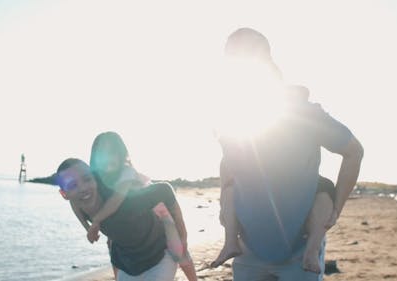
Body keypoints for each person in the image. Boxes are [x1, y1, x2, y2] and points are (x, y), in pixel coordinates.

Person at [216, 27, 364, 281]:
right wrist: (224, 198)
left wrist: (335, 211)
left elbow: (354, 152)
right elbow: (228, 161)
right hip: (247, 245)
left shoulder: (301, 112)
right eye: (232, 55)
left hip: (300, 247)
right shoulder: (231, 113)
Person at [212, 85, 337, 274]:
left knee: (325, 187)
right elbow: (228, 159)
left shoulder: (306, 121)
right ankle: (230, 242)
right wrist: (224, 200)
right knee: (231, 187)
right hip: (262, 184)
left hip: (300, 182)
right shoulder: (263, 122)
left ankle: (311, 250)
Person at [86, 132, 197, 281]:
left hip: (159, 215)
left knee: (178, 249)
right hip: (128, 232)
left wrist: (183, 237)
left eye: (111, 152)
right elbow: (75, 200)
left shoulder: (127, 174)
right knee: (113, 245)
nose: (107, 157)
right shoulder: (94, 183)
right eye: (101, 153)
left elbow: (118, 199)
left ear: (121, 155)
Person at [56, 158, 185, 280]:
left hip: (160, 254)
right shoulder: (78, 203)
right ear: (64, 194)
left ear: (95, 179)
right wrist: (88, 228)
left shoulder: (124, 201)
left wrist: (183, 236)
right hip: (129, 264)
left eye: (87, 179)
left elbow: (164, 190)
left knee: (184, 259)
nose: (83, 188)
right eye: (73, 185)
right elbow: (75, 207)